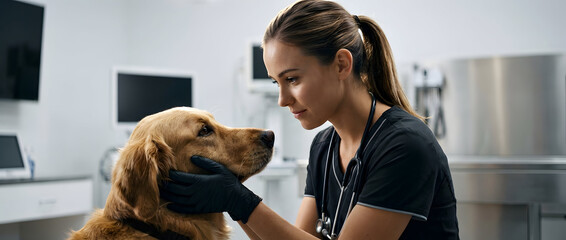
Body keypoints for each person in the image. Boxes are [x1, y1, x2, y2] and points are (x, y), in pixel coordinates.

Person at [160, 0, 459, 239]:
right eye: (278, 82)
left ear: (341, 64)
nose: (283, 99)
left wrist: (240, 201)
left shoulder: (404, 145)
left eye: (292, 78)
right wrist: (233, 202)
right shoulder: (325, 146)